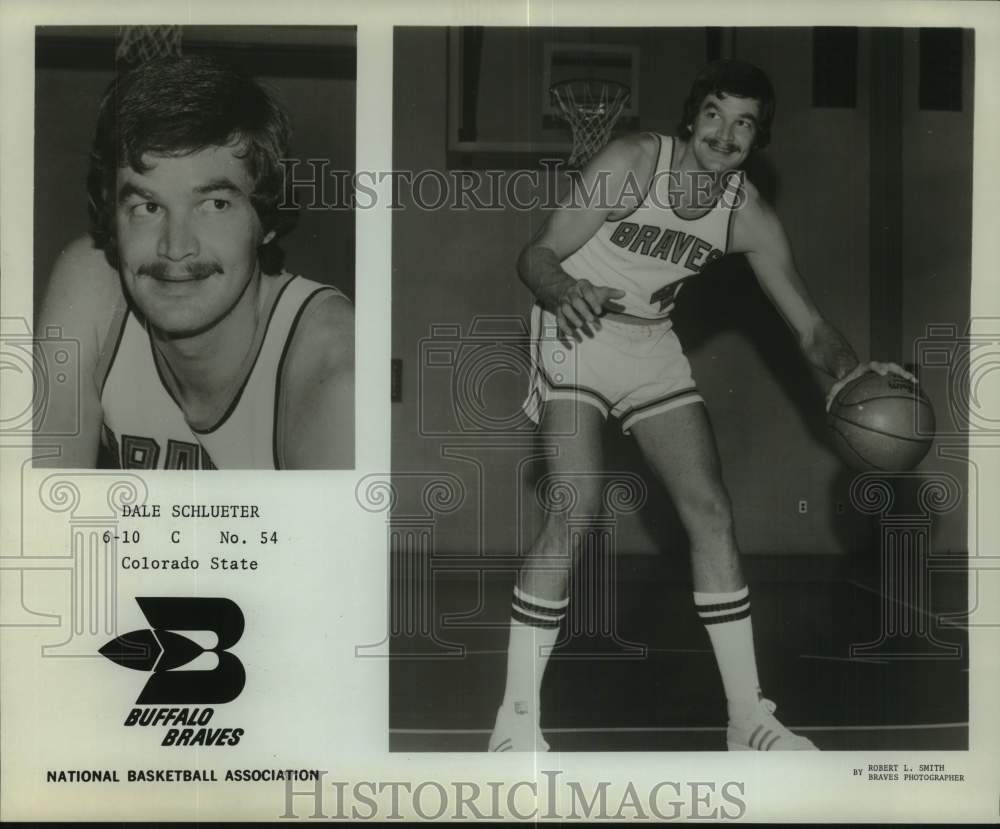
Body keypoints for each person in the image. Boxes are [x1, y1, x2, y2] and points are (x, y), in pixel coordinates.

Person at [489, 59, 914, 752]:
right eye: (715, 113)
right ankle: (514, 722)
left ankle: (747, 718)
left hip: (651, 342)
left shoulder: (747, 215)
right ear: (692, 117)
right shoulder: (631, 163)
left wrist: (855, 371)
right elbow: (535, 254)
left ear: (755, 140)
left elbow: (808, 324)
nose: (725, 132)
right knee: (576, 506)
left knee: (711, 510)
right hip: (573, 328)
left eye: (744, 122)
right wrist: (564, 291)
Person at [33, 55, 354, 470]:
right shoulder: (91, 284)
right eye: (148, 206)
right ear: (112, 218)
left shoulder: (334, 373)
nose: (176, 246)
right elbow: (42, 515)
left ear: (267, 221)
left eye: (215, 204)